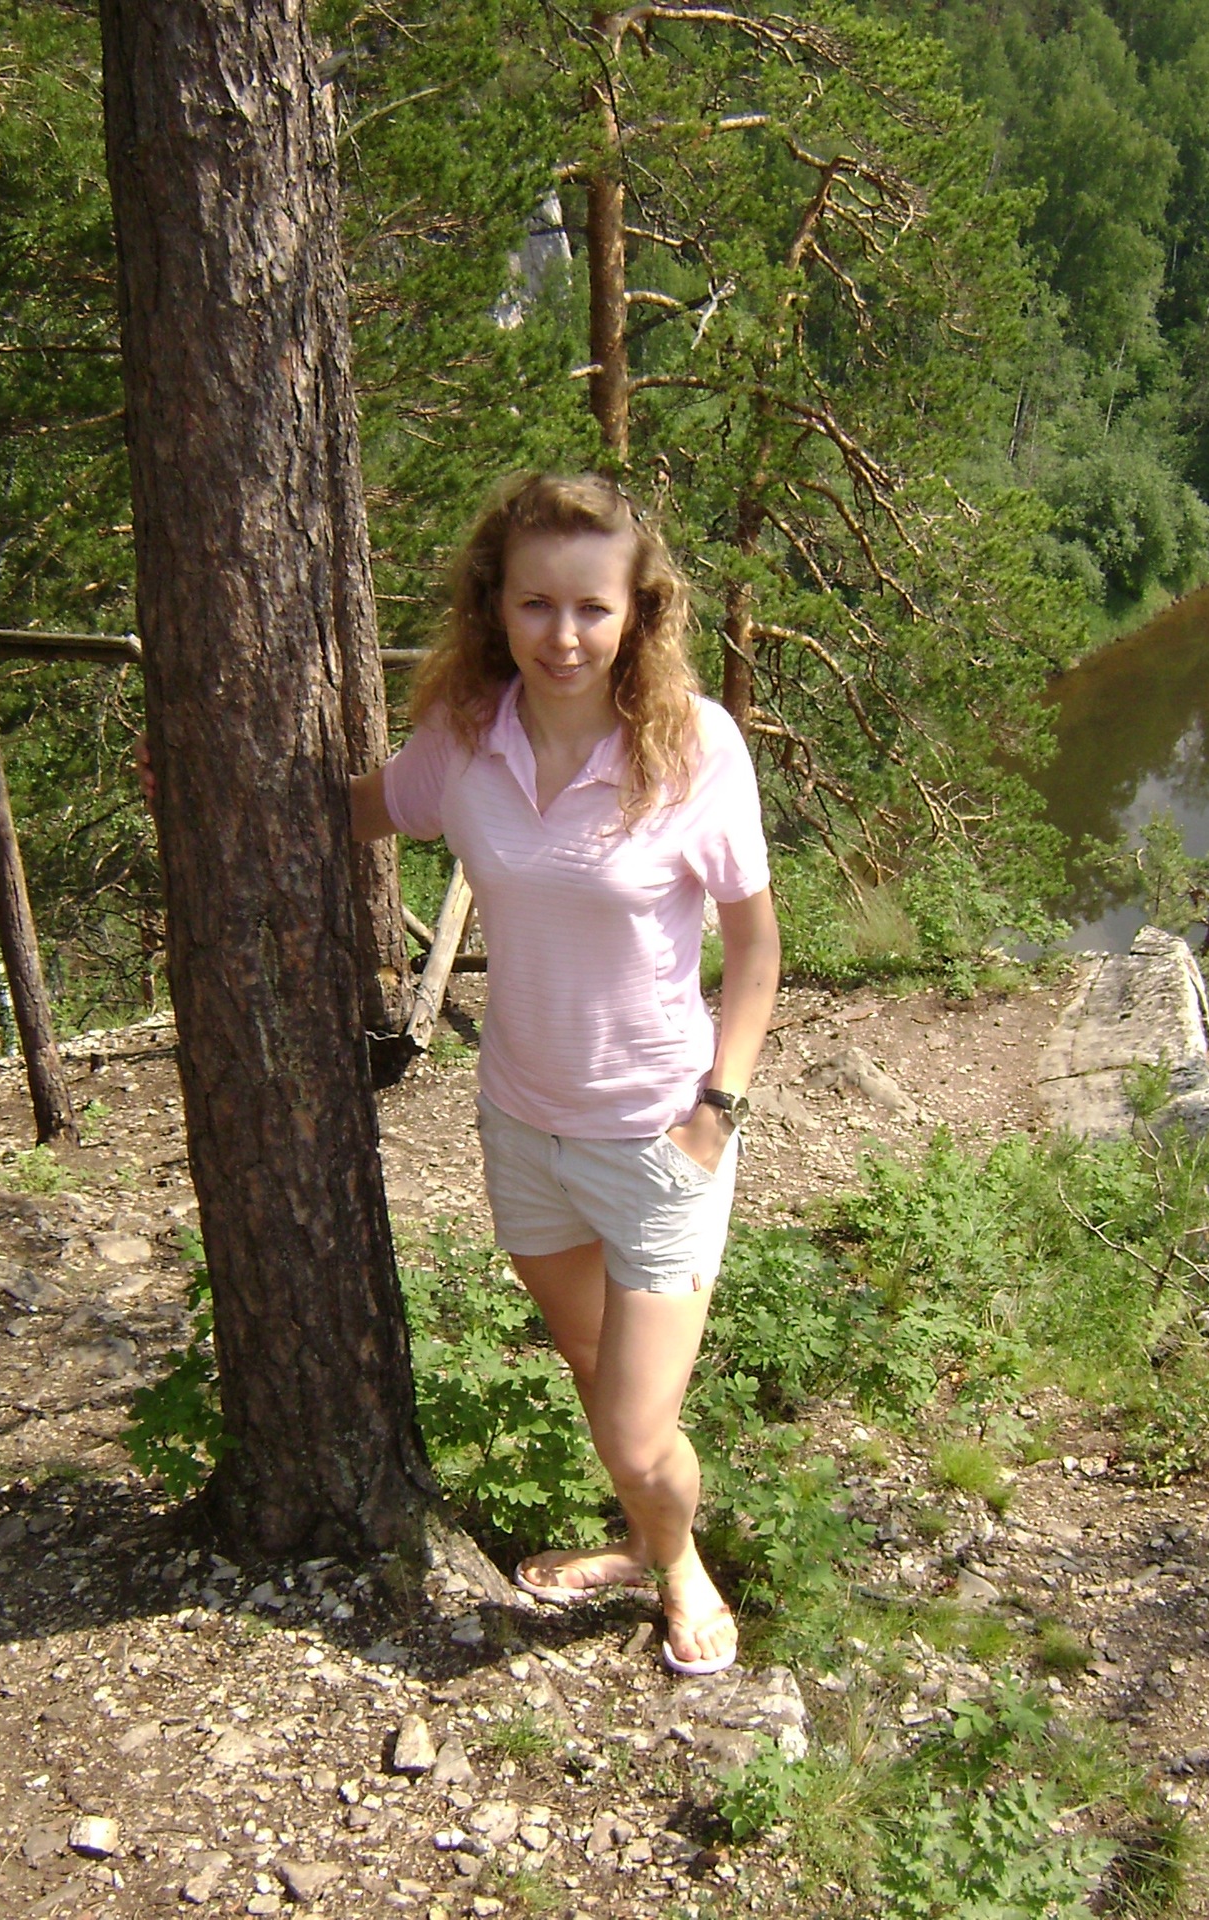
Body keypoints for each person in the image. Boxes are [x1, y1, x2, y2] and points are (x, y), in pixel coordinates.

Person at [350, 472, 780, 1677]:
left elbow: (755, 950)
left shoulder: (693, 746)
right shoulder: (464, 736)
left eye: (593, 606)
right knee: (593, 1367)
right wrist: (199, 784)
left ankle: (679, 1562)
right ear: (495, 604)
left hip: (656, 1141)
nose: (564, 636)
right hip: (523, 1132)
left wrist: (715, 1113)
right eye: (535, 603)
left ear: (639, 612)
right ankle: (647, 1546)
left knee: (639, 1436)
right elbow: (358, 810)